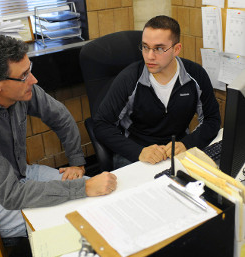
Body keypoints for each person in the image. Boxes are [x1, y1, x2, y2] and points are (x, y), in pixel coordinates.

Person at [0, 34, 117, 238]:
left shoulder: (20, 91)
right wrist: (83, 187)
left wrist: (76, 162)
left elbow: (61, 117)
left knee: (100, 197)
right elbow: (10, 196)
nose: (33, 80)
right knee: (71, 222)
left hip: (23, 175)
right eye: (23, 76)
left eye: (30, 70)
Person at [93, 15, 221, 169]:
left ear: (176, 49)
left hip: (178, 150)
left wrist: (187, 144)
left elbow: (212, 119)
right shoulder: (129, 78)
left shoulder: (195, 75)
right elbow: (101, 124)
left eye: (159, 48)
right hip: (137, 153)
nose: (149, 56)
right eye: (145, 47)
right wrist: (139, 151)